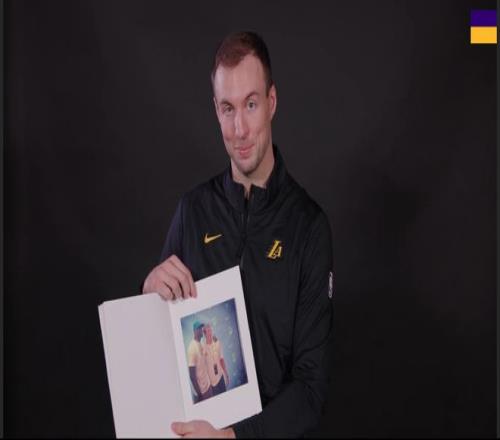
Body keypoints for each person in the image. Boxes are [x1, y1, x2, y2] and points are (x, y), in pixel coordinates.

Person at [142, 31, 334, 438]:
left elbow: (310, 389)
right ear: (216, 110)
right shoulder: (192, 212)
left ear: (272, 102)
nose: (240, 128)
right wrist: (148, 295)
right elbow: (155, 353)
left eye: (250, 104)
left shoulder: (308, 227)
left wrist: (233, 437)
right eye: (228, 108)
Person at [187, 320, 213, 403]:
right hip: (202, 392)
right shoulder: (192, 348)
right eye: (199, 328)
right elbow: (192, 376)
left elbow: (208, 356)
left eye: (202, 327)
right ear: (195, 331)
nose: (202, 329)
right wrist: (200, 395)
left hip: (208, 386)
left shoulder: (200, 344)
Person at [202, 322, 229, 396]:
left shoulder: (217, 343)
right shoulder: (203, 348)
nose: (210, 333)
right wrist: (207, 385)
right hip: (212, 383)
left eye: (211, 330)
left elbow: (221, 359)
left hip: (220, 377)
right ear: (205, 334)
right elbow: (204, 368)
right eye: (208, 331)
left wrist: (226, 374)